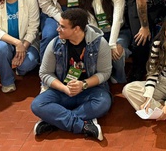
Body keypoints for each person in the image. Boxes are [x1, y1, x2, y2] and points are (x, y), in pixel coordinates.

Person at [31, 8, 112, 141]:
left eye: (62, 27)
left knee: (103, 103)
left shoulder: (100, 44)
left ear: (76, 29)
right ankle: (83, 126)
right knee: (37, 104)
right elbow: (45, 73)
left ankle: (54, 121)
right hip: (63, 90)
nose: (57, 29)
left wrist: (83, 84)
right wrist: (64, 88)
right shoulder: (55, 44)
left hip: (90, 90)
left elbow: (105, 72)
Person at [79, 0, 129, 85]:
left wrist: (111, 44)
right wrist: (101, 43)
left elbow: (118, 19)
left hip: (120, 32)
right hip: (101, 34)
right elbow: (92, 25)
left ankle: (119, 78)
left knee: (117, 51)